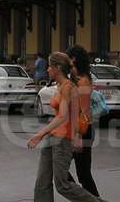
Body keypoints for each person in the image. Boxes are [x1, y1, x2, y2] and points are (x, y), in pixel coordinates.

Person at [28, 52, 99, 202]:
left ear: (57, 68)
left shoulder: (68, 87)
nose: (47, 69)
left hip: (62, 139)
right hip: (52, 137)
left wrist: (40, 134)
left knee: (62, 185)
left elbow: (65, 116)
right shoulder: (60, 85)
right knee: (42, 182)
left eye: (49, 66)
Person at [65, 45, 100, 197]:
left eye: (68, 58)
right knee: (62, 167)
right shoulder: (75, 79)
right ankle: (86, 198)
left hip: (82, 131)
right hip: (75, 130)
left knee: (83, 174)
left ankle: (91, 199)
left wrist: (78, 136)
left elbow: (84, 112)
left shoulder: (83, 81)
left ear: (73, 59)